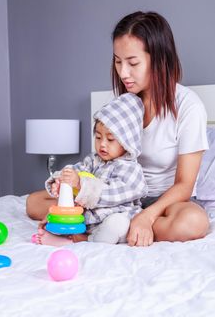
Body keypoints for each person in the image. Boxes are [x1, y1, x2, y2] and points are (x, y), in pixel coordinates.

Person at [27, 10, 210, 247]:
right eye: (117, 61)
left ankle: (107, 227)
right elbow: (101, 160)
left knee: (194, 222)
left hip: (164, 203)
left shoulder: (188, 106)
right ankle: (109, 224)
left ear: (159, 59)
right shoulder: (120, 104)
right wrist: (72, 187)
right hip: (114, 195)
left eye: (133, 63)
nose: (123, 73)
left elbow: (184, 185)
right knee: (33, 201)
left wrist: (147, 216)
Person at [32, 93, 147, 246]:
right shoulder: (93, 160)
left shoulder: (132, 169)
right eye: (98, 137)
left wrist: (81, 184)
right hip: (88, 219)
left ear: (128, 142)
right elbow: (76, 170)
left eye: (110, 139)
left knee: (117, 225)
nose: (102, 144)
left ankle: (82, 240)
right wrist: (61, 180)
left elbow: (112, 192)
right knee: (58, 215)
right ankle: (61, 234)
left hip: (112, 219)